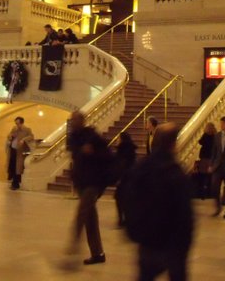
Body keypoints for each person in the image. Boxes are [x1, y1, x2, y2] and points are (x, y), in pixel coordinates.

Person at [123, 123, 193, 281]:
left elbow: (128, 197)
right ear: (173, 144)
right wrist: (184, 245)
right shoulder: (176, 173)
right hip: (171, 244)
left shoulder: (142, 167)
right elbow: (185, 216)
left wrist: (133, 229)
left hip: (147, 241)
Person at [67, 111, 113, 265]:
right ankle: (98, 253)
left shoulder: (92, 136)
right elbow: (74, 153)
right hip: (81, 181)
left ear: (82, 120)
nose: (72, 122)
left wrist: (93, 152)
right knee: (90, 218)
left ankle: (74, 243)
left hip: (94, 182)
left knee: (83, 210)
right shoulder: (73, 137)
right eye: (72, 119)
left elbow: (107, 154)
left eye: (75, 119)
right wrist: (82, 151)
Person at [113, 131, 137, 227]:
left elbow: (122, 165)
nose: (117, 140)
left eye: (118, 138)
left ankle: (122, 219)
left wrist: (119, 178)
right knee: (125, 198)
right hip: (130, 177)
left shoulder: (122, 150)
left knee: (120, 198)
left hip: (124, 177)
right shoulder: (130, 149)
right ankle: (125, 219)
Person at [7, 116, 33, 190]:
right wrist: (10, 136)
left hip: (20, 151)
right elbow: (9, 136)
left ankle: (16, 184)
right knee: (12, 167)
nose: (17, 125)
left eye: (18, 123)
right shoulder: (15, 129)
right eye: (16, 123)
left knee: (17, 168)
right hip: (13, 149)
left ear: (21, 123)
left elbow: (31, 137)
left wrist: (24, 139)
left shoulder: (27, 130)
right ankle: (13, 182)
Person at [196, 122, 216, 199]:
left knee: (202, 176)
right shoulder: (215, 136)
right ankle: (209, 194)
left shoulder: (205, 135)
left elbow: (200, 142)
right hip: (211, 158)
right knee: (210, 177)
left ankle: (201, 194)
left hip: (204, 158)